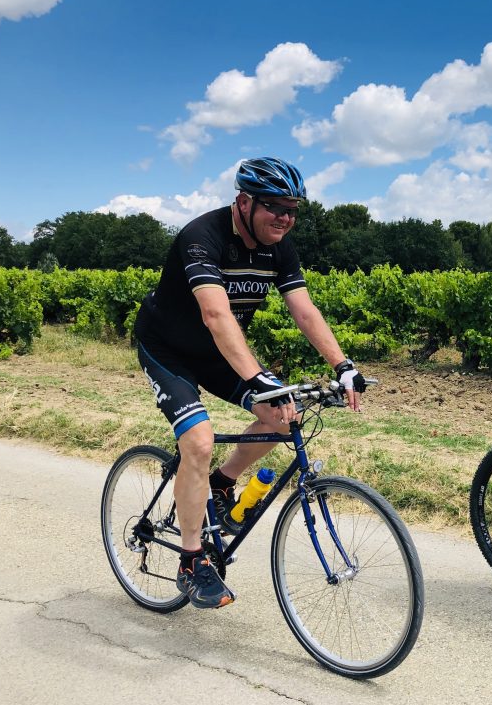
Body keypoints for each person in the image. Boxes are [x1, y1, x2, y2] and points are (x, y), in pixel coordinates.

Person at [134, 157, 367, 608]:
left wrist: (343, 365)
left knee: (282, 414)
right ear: (243, 202)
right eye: (274, 206)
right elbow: (215, 314)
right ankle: (191, 560)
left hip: (218, 353)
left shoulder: (280, 249)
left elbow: (304, 310)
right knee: (198, 443)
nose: (285, 218)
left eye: (292, 209)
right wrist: (258, 376)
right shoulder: (203, 236)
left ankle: (221, 483)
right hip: (168, 350)